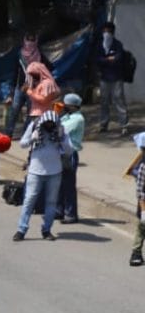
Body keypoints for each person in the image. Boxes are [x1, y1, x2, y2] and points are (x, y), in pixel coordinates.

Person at [14, 110, 74, 241]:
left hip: (55, 172)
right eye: (47, 124)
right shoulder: (34, 126)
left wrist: (62, 138)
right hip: (35, 172)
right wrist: (32, 138)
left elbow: (69, 151)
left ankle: (46, 230)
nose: (49, 127)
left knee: (51, 202)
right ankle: (21, 230)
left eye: (51, 124)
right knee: (29, 200)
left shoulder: (61, 130)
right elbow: (22, 144)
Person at [4, 34, 50, 137]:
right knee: (14, 110)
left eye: (32, 42)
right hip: (20, 88)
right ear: (24, 42)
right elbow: (15, 73)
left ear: (36, 42)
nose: (30, 45)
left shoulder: (40, 56)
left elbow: (49, 68)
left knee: (31, 113)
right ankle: (8, 134)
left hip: (33, 89)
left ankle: (26, 134)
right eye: (28, 41)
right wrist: (11, 93)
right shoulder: (19, 55)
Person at [96, 22, 129, 135]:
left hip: (117, 77)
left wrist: (107, 60)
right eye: (104, 31)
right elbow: (98, 60)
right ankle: (104, 124)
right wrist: (108, 59)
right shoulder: (100, 45)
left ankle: (124, 125)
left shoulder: (117, 45)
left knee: (119, 100)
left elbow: (118, 59)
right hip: (104, 78)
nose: (106, 34)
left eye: (108, 31)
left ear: (112, 32)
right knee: (104, 101)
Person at [57, 93, 84, 223]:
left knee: (68, 184)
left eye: (66, 105)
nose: (64, 106)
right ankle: (59, 210)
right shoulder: (67, 116)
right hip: (61, 153)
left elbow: (61, 130)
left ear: (73, 106)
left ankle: (71, 214)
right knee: (59, 183)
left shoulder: (78, 119)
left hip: (70, 154)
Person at [127, 131, 145, 267]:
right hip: (144, 202)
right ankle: (136, 253)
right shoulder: (143, 166)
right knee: (141, 226)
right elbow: (140, 191)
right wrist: (143, 209)